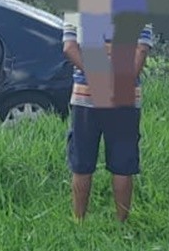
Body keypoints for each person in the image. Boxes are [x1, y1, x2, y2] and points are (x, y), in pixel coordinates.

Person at [62, 18, 155, 223]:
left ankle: (79, 221)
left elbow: (69, 48)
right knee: (123, 163)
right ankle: (122, 224)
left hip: (86, 96)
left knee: (82, 163)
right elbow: (140, 51)